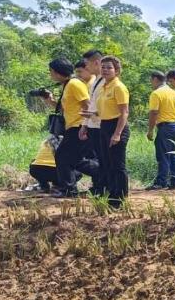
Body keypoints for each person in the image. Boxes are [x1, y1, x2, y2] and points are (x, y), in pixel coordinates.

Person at [41, 58, 89, 198]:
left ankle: (69, 189)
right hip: (73, 126)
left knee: (62, 156)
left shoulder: (74, 84)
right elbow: (64, 108)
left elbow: (87, 104)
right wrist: (49, 100)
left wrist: (85, 126)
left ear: (56, 72)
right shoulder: (67, 85)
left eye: (51, 71)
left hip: (78, 126)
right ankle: (101, 176)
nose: (50, 74)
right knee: (72, 159)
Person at [95, 56, 131, 207]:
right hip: (104, 125)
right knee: (107, 162)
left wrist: (117, 134)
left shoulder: (118, 87)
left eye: (109, 67)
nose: (105, 70)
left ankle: (120, 198)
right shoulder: (104, 86)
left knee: (117, 165)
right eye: (103, 67)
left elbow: (124, 112)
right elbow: (106, 109)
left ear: (116, 70)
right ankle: (111, 195)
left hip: (117, 127)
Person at [145, 71, 175, 190]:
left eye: (151, 81)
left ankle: (161, 182)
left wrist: (150, 130)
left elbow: (154, 112)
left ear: (155, 79)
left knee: (163, 155)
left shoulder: (156, 94)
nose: (151, 83)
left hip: (165, 127)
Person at [78, 49, 105, 189]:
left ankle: (105, 188)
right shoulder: (94, 82)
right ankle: (99, 187)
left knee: (105, 160)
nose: (85, 66)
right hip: (94, 126)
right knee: (99, 158)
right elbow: (91, 106)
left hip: (103, 125)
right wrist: (85, 125)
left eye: (87, 63)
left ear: (96, 62)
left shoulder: (106, 82)